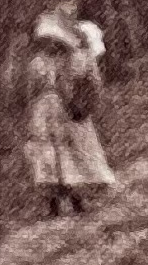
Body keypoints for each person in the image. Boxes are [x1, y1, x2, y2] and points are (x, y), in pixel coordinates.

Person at [24, 11, 115, 216]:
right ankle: (54, 203)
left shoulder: (62, 61)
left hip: (57, 107)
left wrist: (67, 99)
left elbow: (68, 85)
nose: (50, 45)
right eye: (46, 42)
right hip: (43, 109)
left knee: (65, 151)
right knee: (46, 153)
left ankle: (76, 198)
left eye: (52, 42)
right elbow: (30, 91)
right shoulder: (37, 63)